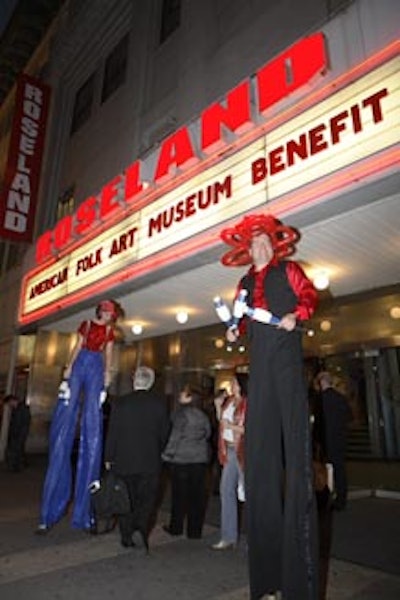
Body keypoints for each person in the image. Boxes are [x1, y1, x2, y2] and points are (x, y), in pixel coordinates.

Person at [220, 213, 319, 600]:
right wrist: (231, 329)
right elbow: (237, 319)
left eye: (265, 242)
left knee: (295, 454)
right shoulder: (244, 282)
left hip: (287, 363)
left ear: (273, 246)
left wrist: (297, 314)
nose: (259, 247)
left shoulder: (290, 270)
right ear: (247, 250)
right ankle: (266, 578)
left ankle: (299, 579)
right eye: (254, 243)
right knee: (260, 459)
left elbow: (309, 296)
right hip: (259, 367)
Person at [37, 299, 118, 534]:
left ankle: (85, 514)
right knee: (67, 414)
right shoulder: (87, 325)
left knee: (92, 421)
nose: (111, 316)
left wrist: (107, 378)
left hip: (95, 365)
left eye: (112, 313)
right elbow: (78, 345)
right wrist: (69, 367)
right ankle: (48, 512)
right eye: (108, 312)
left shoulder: (110, 332)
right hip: (82, 360)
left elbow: (109, 355)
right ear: (101, 312)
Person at [104, 366, 170, 551]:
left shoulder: (121, 403)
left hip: (124, 461)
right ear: (151, 383)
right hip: (150, 461)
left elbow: (113, 432)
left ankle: (126, 535)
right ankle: (142, 529)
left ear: (135, 381)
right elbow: (165, 433)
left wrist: (109, 456)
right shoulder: (159, 404)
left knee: (126, 499)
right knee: (147, 500)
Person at [162, 384, 211, 539]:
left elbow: (175, 436)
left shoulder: (180, 414)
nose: (180, 394)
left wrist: (166, 456)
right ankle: (194, 531)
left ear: (190, 397)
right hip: (199, 460)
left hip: (181, 460)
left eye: (184, 393)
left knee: (179, 496)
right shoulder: (203, 415)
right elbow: (208, 433)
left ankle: (176, 527)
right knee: (196, 496)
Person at [211, 373, 247, 550]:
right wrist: (218, 407)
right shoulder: (229, 401)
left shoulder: (248, 403)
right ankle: (228, 536)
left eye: (234, 382)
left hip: (244, 452)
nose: (231, 385)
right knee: (226, 491)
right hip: (230, 451)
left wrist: (231, 426)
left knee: (249, 495)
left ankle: (258, 538)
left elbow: (250, 428)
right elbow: (222, 423)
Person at [315, 371, 352, 511]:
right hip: (339, 440)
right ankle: (341, 499)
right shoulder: (341, 398)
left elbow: (317, 423)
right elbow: (348, 418)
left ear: (321, 382)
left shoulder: (319, 400)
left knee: (323, 471)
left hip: (325, 441)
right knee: (340, 470)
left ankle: (326, 498)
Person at [4, 394, 31, 472]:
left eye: (9, 403)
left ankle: (16, 466)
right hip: (17, 432)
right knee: (17, 449)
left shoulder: (22, 409)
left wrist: (21, 434)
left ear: (12, 401)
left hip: (19, 433)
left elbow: (24, 423)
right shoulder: (17, 409)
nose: (9, 405)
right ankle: (18, 464)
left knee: (16, 449)